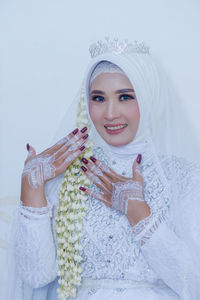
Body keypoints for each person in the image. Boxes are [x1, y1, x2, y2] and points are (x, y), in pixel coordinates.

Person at [6, 38, 200, 300]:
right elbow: (36, 277)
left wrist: (141, 218)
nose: (110, 113)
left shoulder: (183, 178)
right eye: (98, 98)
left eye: (125, 97)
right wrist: (31, 191)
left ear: (149, 96)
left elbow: (194, 283)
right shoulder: (70, 174)